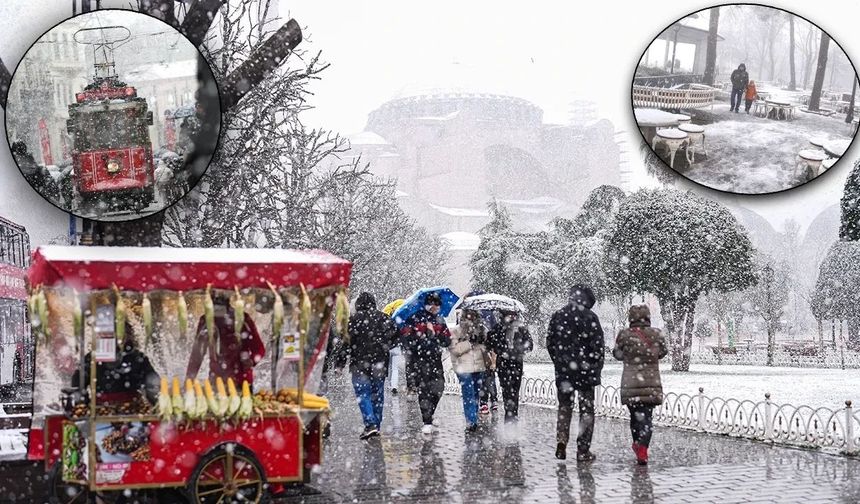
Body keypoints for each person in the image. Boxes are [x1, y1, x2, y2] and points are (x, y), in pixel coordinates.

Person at [547, 284, 605, 462]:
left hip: (564, 372)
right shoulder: (591, 317)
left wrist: (560, 361)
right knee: (586, 411)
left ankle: (562, 440)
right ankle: (583, 449)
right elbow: (598, 348)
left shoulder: (558, 316)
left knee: (564, 407)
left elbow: (550, 343)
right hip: (586, 373)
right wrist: (595, 367)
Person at [613, 304, 668, 465]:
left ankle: (639, 444)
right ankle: (642, 446)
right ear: (648, 317)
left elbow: (617, 354)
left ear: (631, 318)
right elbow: (663, 352)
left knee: (635, 417)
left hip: (631, 383)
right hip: (651, 382)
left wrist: (629, 355)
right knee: (647, 418)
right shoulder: (656, 334)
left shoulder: (624, 335)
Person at [339, 292, 398, 440]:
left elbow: (346, 343)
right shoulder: (385, 319)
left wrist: (340, 363)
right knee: (377, 395)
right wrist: (385, 346)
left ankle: (370, 423)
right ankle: (376, 425)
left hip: (359, 364)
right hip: (379, 363)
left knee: (363, 394)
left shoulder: (353, 321)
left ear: (359, 304)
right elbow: (396, 338)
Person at [185, 291, 266, 388]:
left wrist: (251, 361)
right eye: (214, 295)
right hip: (218, 381)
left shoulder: (242, 319)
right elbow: (197, 354)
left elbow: (259, 349)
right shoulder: (206, 320)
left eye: (219, 296)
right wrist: (189, 380)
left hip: (240, 382)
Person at [71, 322, 160, 404]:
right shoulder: (92, 358)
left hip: (132, 409)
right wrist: (84, 404)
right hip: (100, 409)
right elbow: (78, 383)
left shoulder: (137, 357)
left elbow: (151, 383)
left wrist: (157, 402)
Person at [401, 292, 451, 434]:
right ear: (427, 304)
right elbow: (406, 339)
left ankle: (430, 412)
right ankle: (427, 420)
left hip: (435, 358)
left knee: (439, 387)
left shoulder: (440, 320)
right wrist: (422, 336)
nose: (435, 307)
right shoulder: (414, 318)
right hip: (419, 359)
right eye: (432, 304)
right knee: (424, 390)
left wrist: (436, 335)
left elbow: (447, 341)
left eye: (437, 304)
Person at [487, 310, 533, 423]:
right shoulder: (498, 328)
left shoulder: (521, 328)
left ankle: (513, 415)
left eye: (513, 315)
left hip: (517, 363)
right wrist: (501, 348)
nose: (511, 317)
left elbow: (530, 344)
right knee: (507, 391)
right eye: (509, 315)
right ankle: (509, 415)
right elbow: (490, 343)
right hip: (503, 363)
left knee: (515, 391)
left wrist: (518, 349)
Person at [449, 309, 487, 432]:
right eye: (468, 315)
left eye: (473, 315)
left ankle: (474, 417)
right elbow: (454, 350)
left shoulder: (482, 329)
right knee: (468, 393)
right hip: (463, 368)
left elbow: (486, 347)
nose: (471, 318)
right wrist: (469, 343)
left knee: (476, 393)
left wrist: (481, 340)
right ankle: (471, 421)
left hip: (479, 366)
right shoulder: (455, 331)